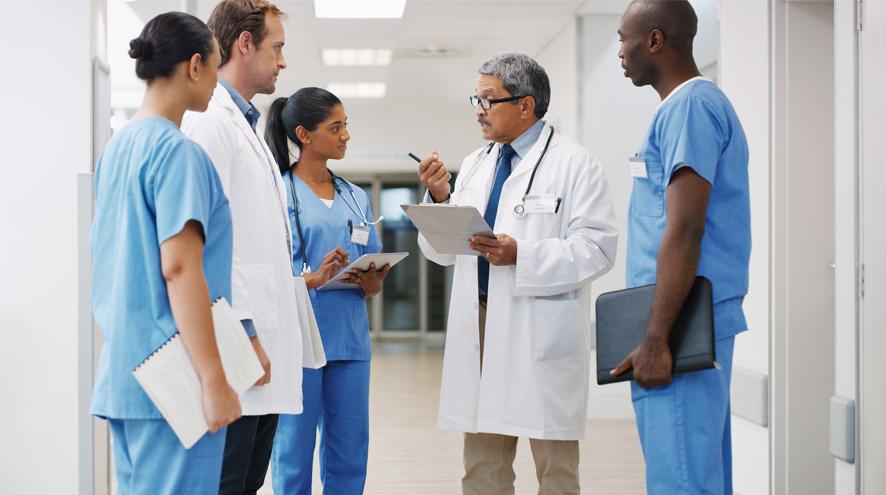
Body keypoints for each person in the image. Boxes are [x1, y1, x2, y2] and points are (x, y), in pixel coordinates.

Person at [415, 53, 618, 494]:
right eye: (477, 99)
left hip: (540, 327)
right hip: (482, 322)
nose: (478, 110)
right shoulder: (475, 163)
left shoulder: (575, 164)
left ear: (525, 105)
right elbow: (444, 253)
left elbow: (598, 249)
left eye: (488, 100)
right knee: (483, 466)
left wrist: (522, 255)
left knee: (555, 469)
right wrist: (438, 199)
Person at [90, 12, 240, 494]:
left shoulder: (118, 148)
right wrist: (214, 379)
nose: (217, 83)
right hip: (175, 379)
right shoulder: (179, 153)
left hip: (126, 373)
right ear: (194, 65)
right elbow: (179, 269)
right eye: (216, 69)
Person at [611, 1, 751, 494]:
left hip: (680, 329)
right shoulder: (689, 108)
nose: (620, 52)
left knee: (682, 481)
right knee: (698, 477)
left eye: (624, 39)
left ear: (654, 40)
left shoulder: (690, 107)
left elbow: (686, 227)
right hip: (688, 322)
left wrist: (655, 339)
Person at [180, 1, 303, 493]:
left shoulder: (243, 124)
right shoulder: (212, 123)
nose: (283, 61)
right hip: (238, 347)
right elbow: (202, 245)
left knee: (247, 482)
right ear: (244, 44)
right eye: (277, 48)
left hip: (258, 351)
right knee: (227, 482)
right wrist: (243, 333)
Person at [264, 87, 388, 494]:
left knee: (350, 454)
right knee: (293, 454)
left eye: (345, 126)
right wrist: (311, 278)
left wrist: (372, 281)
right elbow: (264, 274)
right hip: (301, 341)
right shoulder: (277, 194)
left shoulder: (355, 197)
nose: (345, 136)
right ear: (304, 134)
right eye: (335, 128)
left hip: (350, 342)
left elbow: (371, 259)